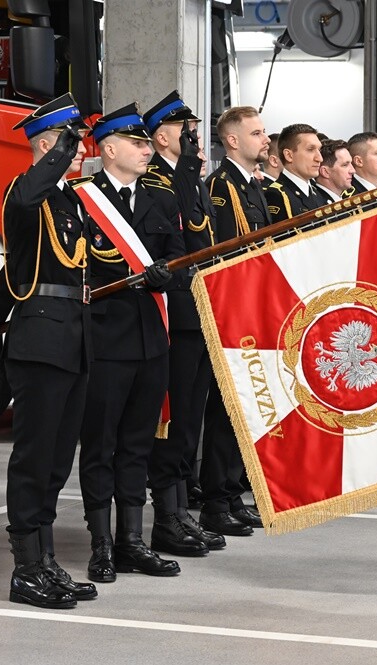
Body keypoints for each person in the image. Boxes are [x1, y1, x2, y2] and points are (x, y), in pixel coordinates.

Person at [0, 93, 96, 609]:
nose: (81, 152)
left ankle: (45, 560)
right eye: (70, 144)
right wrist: (56, 154)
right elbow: (24, 210)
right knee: (34, 458)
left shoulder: (68, 200)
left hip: (74, 336)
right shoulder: (24, 194)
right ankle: (25, 570)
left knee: (56, 461)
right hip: (41, 341)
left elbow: (21, 266)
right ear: (48, 146)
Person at [73, 104, 187, 582]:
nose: (147, 150)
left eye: (147, 143)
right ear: (111, 149)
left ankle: (131, 542)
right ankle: (100, 543)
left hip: (150, 340)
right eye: (139, 144)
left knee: (138, 446)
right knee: (100, 444)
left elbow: (181, 260)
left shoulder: (161, 200)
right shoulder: (82, 200)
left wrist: (166, 277)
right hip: (103, 339)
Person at [141, 91, 227, 555]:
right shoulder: (159, 180)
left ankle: (178, 512)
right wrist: (189, 171)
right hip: (173, 316)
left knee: (189, 420)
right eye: (186, 130)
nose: (194, 137)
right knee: (171, 422)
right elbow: (181, 238)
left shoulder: (188, 179)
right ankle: (166, 517)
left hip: (199, 313)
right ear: (162, 136)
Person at [202, 106, 272, 535]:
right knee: (223, 407)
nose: (266, 140)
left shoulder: (251, 186)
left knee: (241, 410)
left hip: (253, 307)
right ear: (232, 140)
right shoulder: (220, 187)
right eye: (257, 133)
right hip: (232, 310)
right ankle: (214, 501)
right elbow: (226, 254)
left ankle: (230, 493)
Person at [265, 123, 325, 221]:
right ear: (289, 155)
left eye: (319, 150)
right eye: (310, 149)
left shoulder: (316, 193)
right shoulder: (277, 195)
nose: (320, 158)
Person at [315, 138, 355, 203]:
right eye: (345, 165)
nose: (353, 171)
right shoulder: (316, 204)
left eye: (351, 164)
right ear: (325, 172)